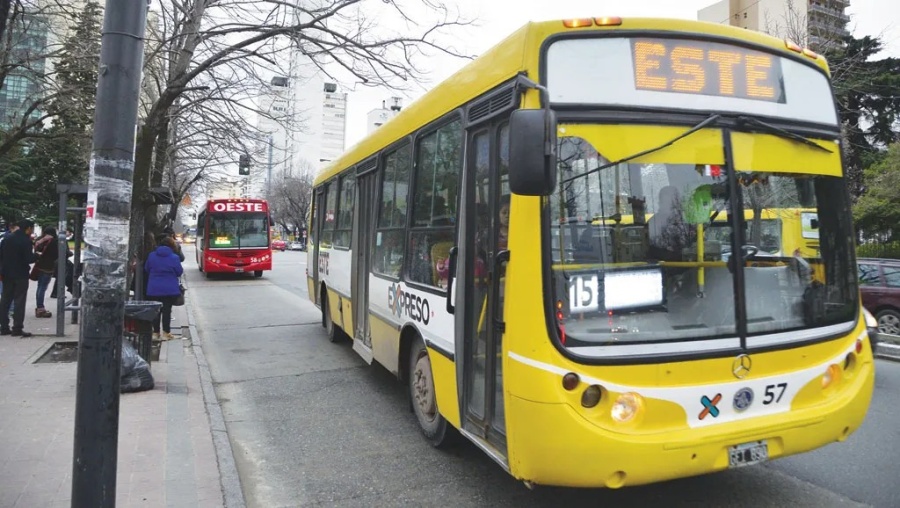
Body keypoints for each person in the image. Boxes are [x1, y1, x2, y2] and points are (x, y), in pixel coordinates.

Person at [0, 220, 37, 337]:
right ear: (28, 228)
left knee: (5, 301)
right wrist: (37, 256)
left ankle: (4, 327)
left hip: (6, 274)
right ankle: (17, 328)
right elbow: (28, 259)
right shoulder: (26, 241)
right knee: (19, 301)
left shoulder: (7, 239)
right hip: (21, 275)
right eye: (32, 228)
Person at [144, 236, 184, 340]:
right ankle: (166, 333)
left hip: (154, 288)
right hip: (169, 289)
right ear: (172, 246)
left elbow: (147, 268)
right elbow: (179, 272)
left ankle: (156, 333)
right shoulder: (174, 257)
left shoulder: (151, 256)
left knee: (156, 311)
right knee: (166, 311)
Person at [32, 226, 59, 318]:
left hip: (39, 265)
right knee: (43, 287)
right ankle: (40, 308)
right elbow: (56, 255)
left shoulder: (40, 240)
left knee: (40, 287)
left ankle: (39, 307)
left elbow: (36, 250)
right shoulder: (53, 241)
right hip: (48, 267)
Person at [0, 222, 19, 317]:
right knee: (7, 290)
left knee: (4, 290)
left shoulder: (4, 237)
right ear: (12, 228)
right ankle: (10, 309)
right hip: (6, 267)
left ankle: (8, 310)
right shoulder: (9, 238)